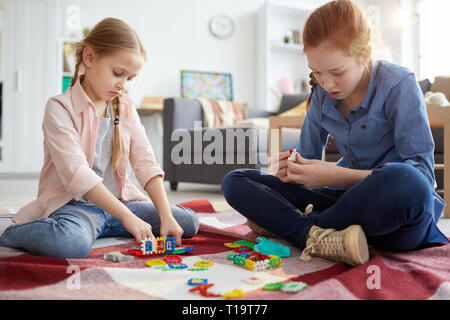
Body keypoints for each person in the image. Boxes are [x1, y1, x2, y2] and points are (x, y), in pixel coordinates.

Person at [221, 0, 449, 267]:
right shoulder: (321, 95)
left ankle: (299, 229)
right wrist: (293, 170)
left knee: (406, 179)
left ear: (364, 55)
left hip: (396, 213)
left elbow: (422, 175)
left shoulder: (398, 83)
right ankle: (317, 234)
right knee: (236, 180)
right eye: (316, 72)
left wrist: (333, 174)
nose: (326, 83)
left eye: (337, 72)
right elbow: (306, 160)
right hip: (341, 204)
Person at [0, 18, 199, 258]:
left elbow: (146, 164)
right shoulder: (59, 108)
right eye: (118, 73)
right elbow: (79, 175)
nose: (123, 85)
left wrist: (166, 216)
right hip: (76, 208)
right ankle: (8, 232)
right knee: (70, 243)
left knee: (187, 222)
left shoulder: (125, 109)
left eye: (130, 78)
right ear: (90, 57)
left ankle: (105, 227)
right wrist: (128, 218)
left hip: (120, 204)